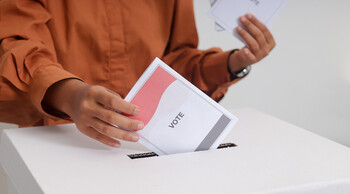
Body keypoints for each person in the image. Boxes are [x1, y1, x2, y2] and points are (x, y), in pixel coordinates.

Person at [0, 0, 275, 148]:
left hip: (147, 148)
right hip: (63, 146)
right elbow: (16, 46)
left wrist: (232, 63)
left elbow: (174, 63)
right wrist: (70, 95)